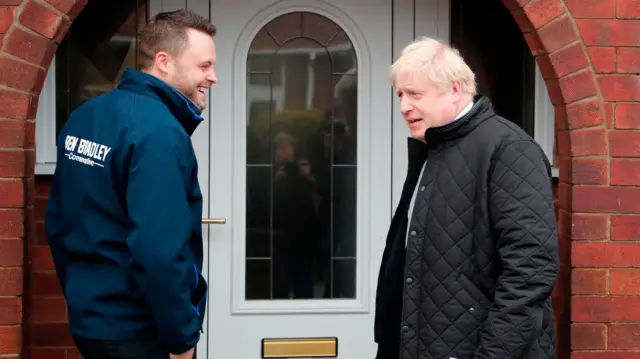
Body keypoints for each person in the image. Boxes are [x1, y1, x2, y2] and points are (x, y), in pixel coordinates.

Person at [44, 9, 217, 359]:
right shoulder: (159, 133)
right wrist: (182, 338)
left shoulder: (85, 116)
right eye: (204, 66)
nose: (213, 77)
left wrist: (85, 300)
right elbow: (157, 251)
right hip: (138, 332)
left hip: (93, 323)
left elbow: (59, 224)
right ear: (164, 62)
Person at [374, 37, 559, 359]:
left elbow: (530, 272)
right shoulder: (434, 149)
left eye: (415, 94)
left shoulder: (509, 150)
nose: (404, 106)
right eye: (400, 94)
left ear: (456, 89)